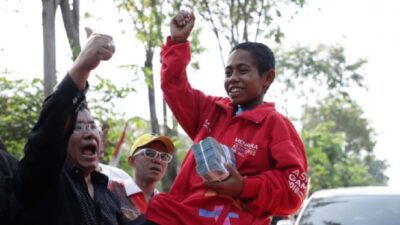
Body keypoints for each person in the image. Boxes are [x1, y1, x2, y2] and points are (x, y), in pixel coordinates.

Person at [144, 11, 308, 225]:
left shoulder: (276, 125)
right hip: (178, 217)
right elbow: (173, 87)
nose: (233, 79)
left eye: (243, 70)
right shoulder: (211, 111)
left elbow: (293, 190)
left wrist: (243, 186)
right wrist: (177, 42)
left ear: (267, 78)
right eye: (228, 72)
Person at [10, 29, 136, 225]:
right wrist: (81, 68)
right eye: (78, 127)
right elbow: (48, 131)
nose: (88, 132)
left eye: (92, 125)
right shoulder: (45, 180)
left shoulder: (113, 193)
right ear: (62, 140)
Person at [106, 134, 175, 223]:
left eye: (163, 157)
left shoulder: (165, 204)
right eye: (149, 153)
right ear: (131, 160)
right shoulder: (113, 189)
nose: (158, 160)